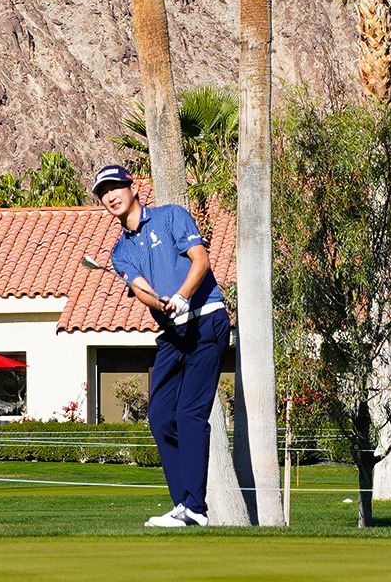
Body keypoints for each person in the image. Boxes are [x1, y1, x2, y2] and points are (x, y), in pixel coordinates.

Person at [92, 163, 231, 528]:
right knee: (159, 417)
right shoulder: (120, 252)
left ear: (132, 187)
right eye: (103, 192)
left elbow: (200, 260)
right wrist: (163, 303)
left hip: (206, 320)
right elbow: (139, 289)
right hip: (173, 330)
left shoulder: (172, 217)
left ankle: (195, 508)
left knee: (189, 414)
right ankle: (183, 505)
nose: (110, 195)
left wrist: (183, 296)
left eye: (115, 187)